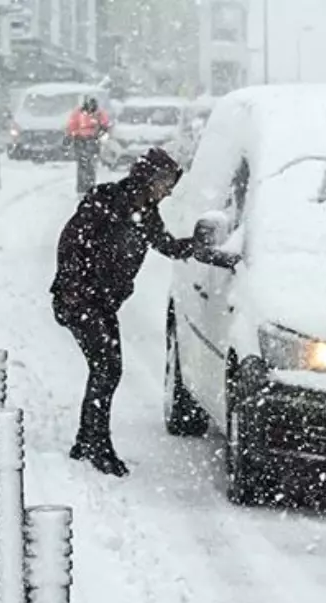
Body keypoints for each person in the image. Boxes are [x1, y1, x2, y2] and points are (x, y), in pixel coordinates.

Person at [50, 149, 213, 477]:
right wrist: (78, 288)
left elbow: (166, 245)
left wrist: (198, 246)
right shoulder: (107, 201)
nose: (168, 191)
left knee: (108, 368)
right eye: (165, 183)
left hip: (100, 302)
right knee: (107, 368)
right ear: (148, 178)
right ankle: (96, 444)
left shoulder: (146, 211)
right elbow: (71, 243)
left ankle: (88, 440)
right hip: (80, 301)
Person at [66, 97, 111, 195]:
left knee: (91, 165)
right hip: (80, 140)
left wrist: (100, 134)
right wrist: (75, 135)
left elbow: (105, 125)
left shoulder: (99, 114)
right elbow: (71, 126)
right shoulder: (78, 113)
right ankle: (81, 188)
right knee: (82, 165)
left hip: (93, 140)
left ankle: (90, 187)